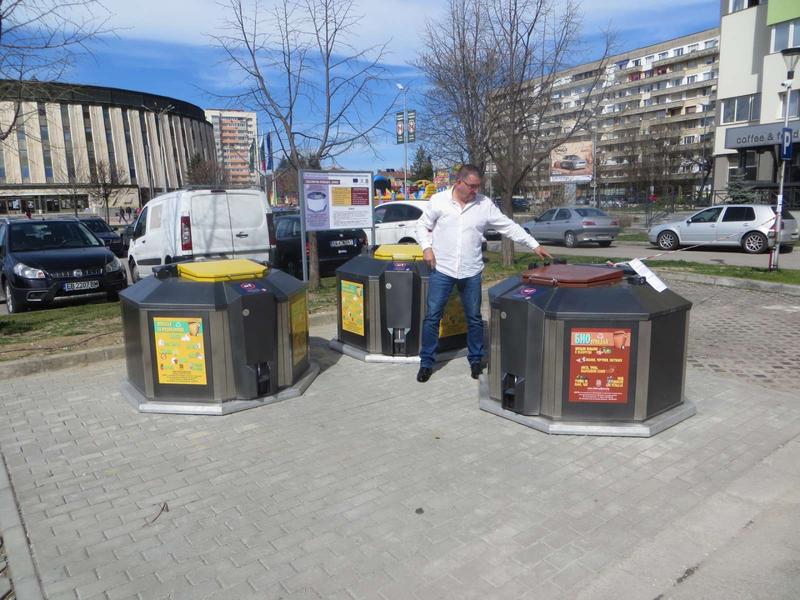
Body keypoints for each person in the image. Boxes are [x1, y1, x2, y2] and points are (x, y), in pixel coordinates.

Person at [414, 164, 551, 383]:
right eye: (472, 186)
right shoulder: (438, 201)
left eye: (478, 186)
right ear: (459, 182)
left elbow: (508, 226)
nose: (475, 191)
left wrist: (533, 245)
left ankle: (476, 359)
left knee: (474, 318)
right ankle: (427, 362)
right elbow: (422, 226)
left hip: (471, 271)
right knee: (432, 317)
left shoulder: (484, 205)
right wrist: (426, 248)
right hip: (442, 269)